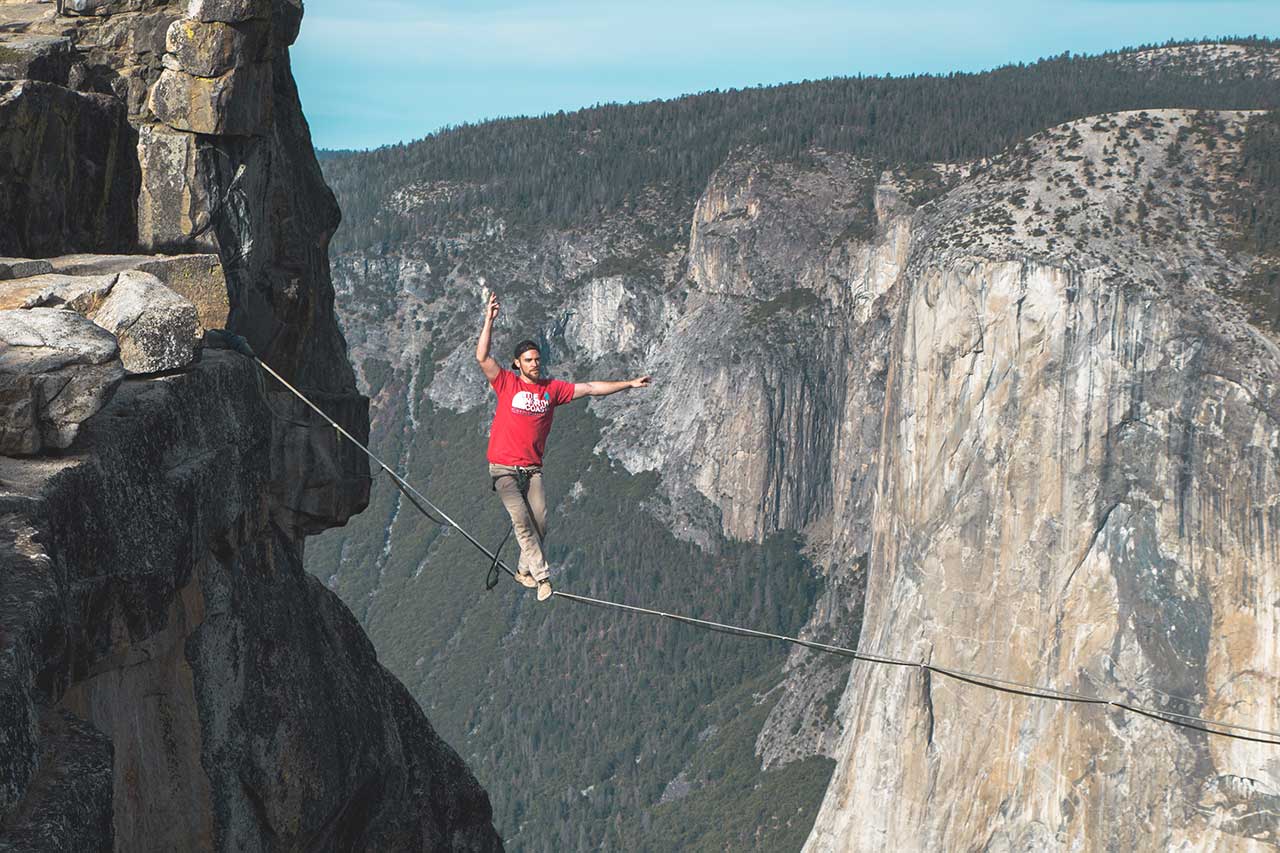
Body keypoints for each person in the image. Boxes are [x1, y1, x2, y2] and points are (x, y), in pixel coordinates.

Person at [475, 292, 650, 601]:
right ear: (517, 364)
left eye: (537, 359)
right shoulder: (506, 383)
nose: (534, 364)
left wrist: (628, 384)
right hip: (503, 468)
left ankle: (524, 571)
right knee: (521, 520)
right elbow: (482, 357)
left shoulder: (552, 390)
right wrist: (489, 320)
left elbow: (592, 388)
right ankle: (543, 578)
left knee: (539, 524)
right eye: (528, 360)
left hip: (532, 470)